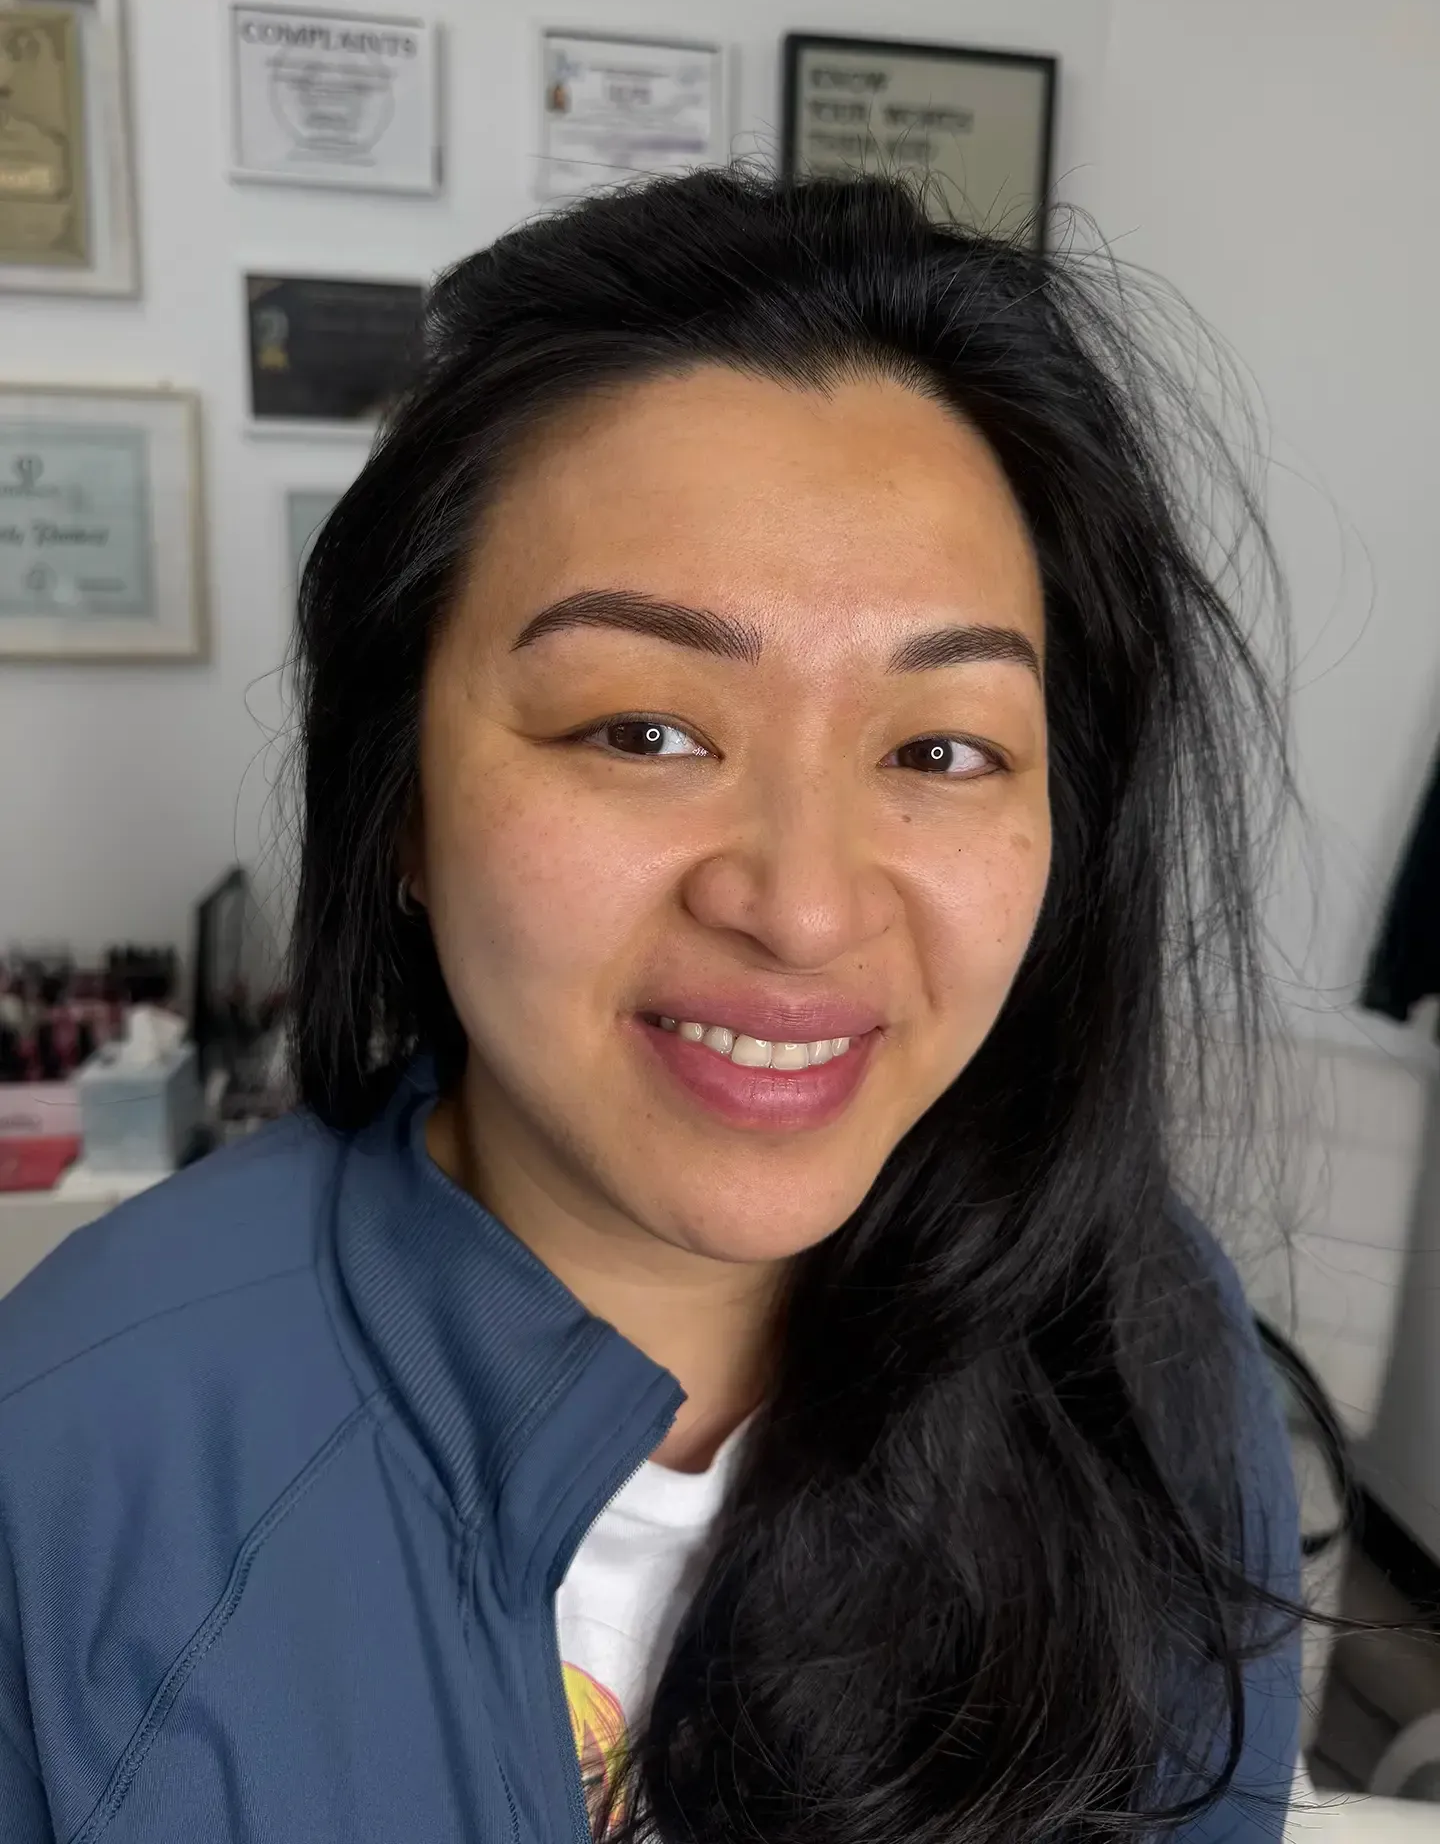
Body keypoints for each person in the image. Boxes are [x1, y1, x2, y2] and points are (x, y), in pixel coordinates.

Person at [0, 166, 1302, 1843]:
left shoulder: (1135, 1333)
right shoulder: (77, 1450)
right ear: (399, 797)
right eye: (644, 731)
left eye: (940, 750)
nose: (803, 903)